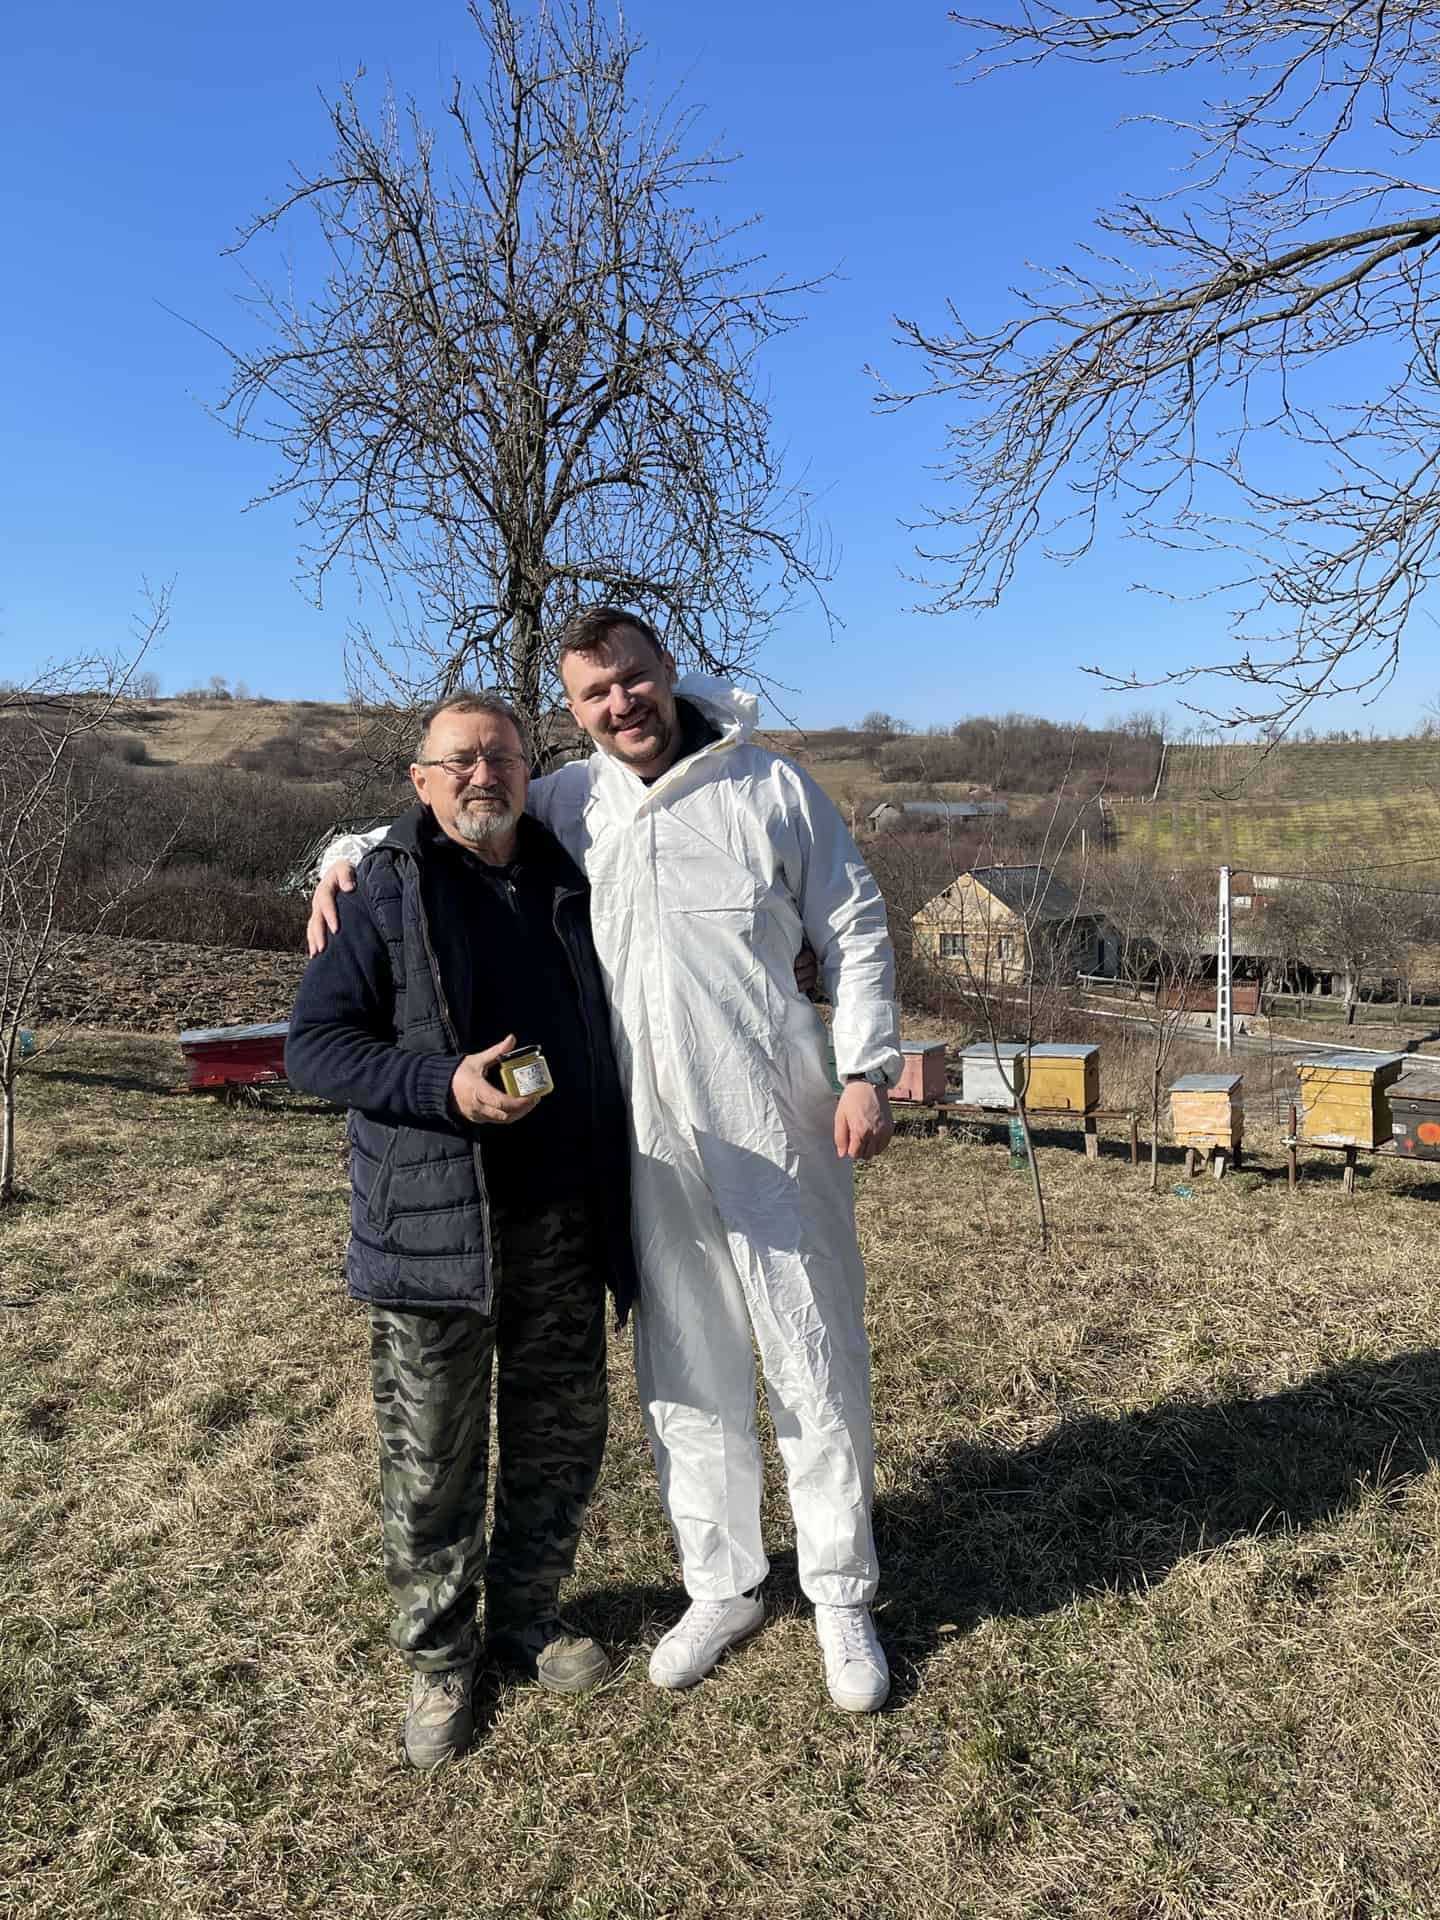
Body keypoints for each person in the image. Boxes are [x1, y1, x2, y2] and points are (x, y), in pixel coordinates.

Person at [311, 609, 901, 1712]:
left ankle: (839, 1591)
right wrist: (340, 859)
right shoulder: (571, 801)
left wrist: (867, 1065)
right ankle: (722, 1583)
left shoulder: (770, 787)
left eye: (632, 678)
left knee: (811, 1352)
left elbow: (854, 922)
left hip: (776, 1121)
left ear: (669, 671)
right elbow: (450, 809)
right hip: (643, 1140)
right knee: (685, 1364)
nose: (620, 702)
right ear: (575, 712)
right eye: (594, 692)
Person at [286, 689, 637, 1768]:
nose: (484, 775)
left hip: (563, 1219)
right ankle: (440, 1660)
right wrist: (444, 1085)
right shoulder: (381, 889)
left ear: (530, 769)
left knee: (558, 1438)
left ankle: (528, 1617)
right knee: (431, 1460)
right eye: (460, 761)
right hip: (435, 1230)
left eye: (502, 757)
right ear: (421, 779)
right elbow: (315, 1048)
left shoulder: (573, 875)